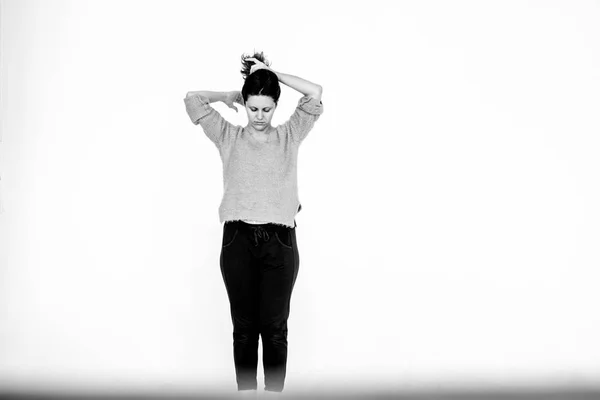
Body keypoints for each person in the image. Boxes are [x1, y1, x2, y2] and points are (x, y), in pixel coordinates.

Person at [183, 52, 323, 397]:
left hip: (280, 240)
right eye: (252, 107)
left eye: (267, 108)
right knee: (244, 329)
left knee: (275, 328)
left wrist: (271, 72)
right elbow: (192, 99)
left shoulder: (290, 135)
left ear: (276, 105)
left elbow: (315, 92)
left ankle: (273, 394)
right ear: (245, 104)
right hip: (238, 240)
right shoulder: (228, 136)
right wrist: (225, 96)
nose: (259, 116)